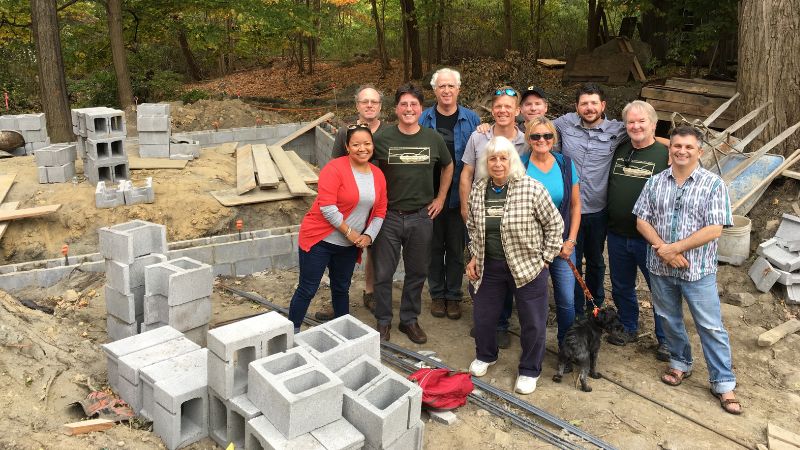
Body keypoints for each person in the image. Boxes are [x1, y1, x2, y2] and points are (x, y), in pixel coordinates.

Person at [633, 126, 741, 415]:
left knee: (710, 325)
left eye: (688, 147)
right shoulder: (655, 182)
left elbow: (715, 229)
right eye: (677, 146)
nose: (681, 151)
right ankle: (680, 363)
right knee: (669, 318)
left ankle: (723, 382)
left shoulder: (713, 185)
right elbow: (642, 220)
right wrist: (663, 249)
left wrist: (676, 248)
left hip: (699, 270)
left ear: (699, 152)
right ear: (670, 149)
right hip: (660, 266)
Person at [465, 136, 563, 394]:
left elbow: (555, 225)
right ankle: (486, 355)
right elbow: (473, 227)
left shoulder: (531, 188)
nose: (498, 164)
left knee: (533, 321)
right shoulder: (479, 189)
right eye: (493, 158)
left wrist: (545, 259)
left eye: (503, 158)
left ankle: (530, 370)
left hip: (528, 266)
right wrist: (474, 255)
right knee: (484, 316)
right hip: (490, 265)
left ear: (513, 160)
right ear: (487, 162)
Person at [371, 83, 454, 344]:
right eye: (404, 104)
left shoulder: (433, 139)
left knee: (417, 271)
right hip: (389, 216)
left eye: (414, 104)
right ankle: (383, 320)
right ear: (396, 109)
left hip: (421, 217)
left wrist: (440, 198)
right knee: (383, 273)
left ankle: (409, 319)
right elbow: (367, 170)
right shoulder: (382, 139)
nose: (409, 109)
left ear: (421, 109)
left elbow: (448, 166)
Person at [288, 125, 388, 332]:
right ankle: (292, 333)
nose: (363, 148)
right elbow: (327, 207)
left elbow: (380, 211)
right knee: (308, 288)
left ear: (373, 145)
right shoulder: (334, 169)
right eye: (356, 144)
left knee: (341, 289)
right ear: (347, 147)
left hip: (349, 246)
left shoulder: (377, 175)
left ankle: (343, 333)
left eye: (367, 143)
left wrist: (369, 236)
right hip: (320, 240)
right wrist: (351, 233)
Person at [460, 86, 529, 348]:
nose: (502, 111)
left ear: (517, 111)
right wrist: (466, 208)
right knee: (477, 267)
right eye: (498, 106)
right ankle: (483, 320)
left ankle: (500, 324)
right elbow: (466, 173)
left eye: (508, 107)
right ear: (493, 110)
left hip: (511, 218)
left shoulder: (525, 141)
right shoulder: (478, 138)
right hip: (480, 215)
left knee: (506, 269)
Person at [553, 83, 627, 317]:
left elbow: (645, 134)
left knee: (595, 260)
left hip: (597, 210)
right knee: (572, 260)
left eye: (594, 103)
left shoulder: (617, 130)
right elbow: (535, 124)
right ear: (576, 107)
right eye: (584, 103)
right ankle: (575, 308)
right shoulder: (564, 124)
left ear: (603, 105)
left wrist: (671, 149)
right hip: (569, 209)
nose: (589, 107)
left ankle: (595, 304)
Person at [316, 86, 389, 321]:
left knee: (374, 249)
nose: (369, 105)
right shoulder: (344, 133)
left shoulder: (389, 133)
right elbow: (334, 166)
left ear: (380, 106)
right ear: (357, 105)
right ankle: (338, 298)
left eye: (374, 102)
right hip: (350, 203)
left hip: (377, 200)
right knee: (340, 249)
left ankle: (370, 292)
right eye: (364, 101)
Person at [606, 100, 670, 361]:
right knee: (621, 285)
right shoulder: (620, 150)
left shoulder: (665, 154)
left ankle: (666, 339)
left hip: (651, 237)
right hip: (618, 234)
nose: (636, 126)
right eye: (631, 122)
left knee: (660, 289)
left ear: (653, 124)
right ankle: (628, 326)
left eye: (642, 121)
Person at [418, 68, 480, 321]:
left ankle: (453, 296)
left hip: (459, 198)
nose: (446, 91)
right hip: (429, 197)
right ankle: (437, 295)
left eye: (450, 86)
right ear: (434, 91)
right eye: (441, 86)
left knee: (456, 249)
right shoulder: (424, 119)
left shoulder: (472, 119)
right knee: (433, 249)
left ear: (458, 90)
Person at [524, 116, 581, 350]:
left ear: (553, 138)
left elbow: (576, 205)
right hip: (531, 247)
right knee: (534, 301)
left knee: (566, 300)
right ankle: (533, 347)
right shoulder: (519, 165)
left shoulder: (565, 164)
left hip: (561, 245)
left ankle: (565, 347)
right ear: (528, 139)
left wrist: (571, 240)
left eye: (547, 136)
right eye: (536, 136)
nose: (542, 140)